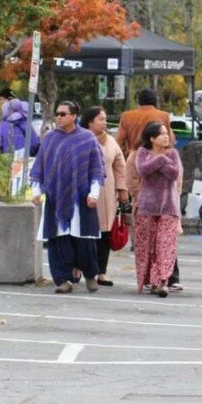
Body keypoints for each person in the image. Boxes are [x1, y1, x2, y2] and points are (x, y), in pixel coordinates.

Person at [29, 101, 106, 294]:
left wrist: (94, 193)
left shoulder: (87, 138)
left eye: (63, 114)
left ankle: (90, 275)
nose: (58, 117)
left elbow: (96, 168)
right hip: (56, 198)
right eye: (57, 113)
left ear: (74, 116)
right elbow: (39, 167)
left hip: (81, 198)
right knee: (57, 239)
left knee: (84, 239)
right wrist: (36, 191)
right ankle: (62, 279)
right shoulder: (49, 138)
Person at [80, 106, 128, 287]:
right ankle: (78, 268)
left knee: (105, 233)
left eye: (105, 119)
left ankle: (101, 272)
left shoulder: (110, 141)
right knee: (83, 232)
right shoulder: (79, 139)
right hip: (83, 190)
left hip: (106, 192)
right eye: (101, 119)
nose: (105, 123)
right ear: (90, 122)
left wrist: (122, 189)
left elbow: (120, 166)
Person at [134, 122, 182, 297]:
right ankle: (151, 282)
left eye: (166, 133)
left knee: (165, 245)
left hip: (168, 206)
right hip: (147, 207)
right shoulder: (142, 153)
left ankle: (163, 282)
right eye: (161, 134)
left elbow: (174, 173)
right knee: (147, 247)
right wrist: (161, 159)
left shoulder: (173, 154)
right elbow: (143, 170)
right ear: (152, 138)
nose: (166, 136)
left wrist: (159, 161)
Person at [115, 88, 173, 158]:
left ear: (139, 101)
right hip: (157, 158)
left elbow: (119, 142)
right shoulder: (164, 116)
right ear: (155, 101)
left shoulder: (127, 116)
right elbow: (169, 141)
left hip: (134, 158)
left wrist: (127, 155)